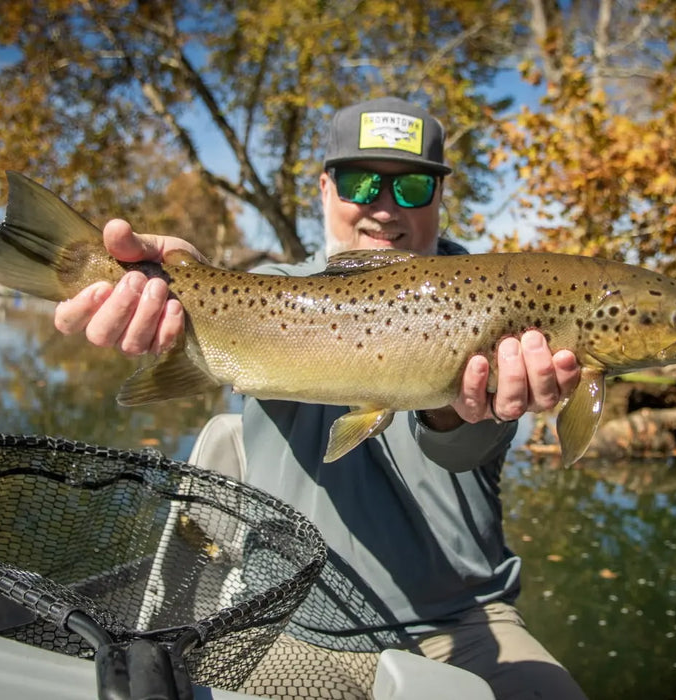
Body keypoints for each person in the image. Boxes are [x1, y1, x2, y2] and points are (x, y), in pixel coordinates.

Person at [54, 97, 587, 699]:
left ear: (440, 196)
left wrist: (456, 408)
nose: (385, 209)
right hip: (283, 624)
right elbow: (211, 296)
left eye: (412, 187)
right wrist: (172, 276)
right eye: (363, 182)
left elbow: (463, 452)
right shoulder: (275, 292)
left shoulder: (503, 298)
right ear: (326, 186)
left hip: (463, 625)